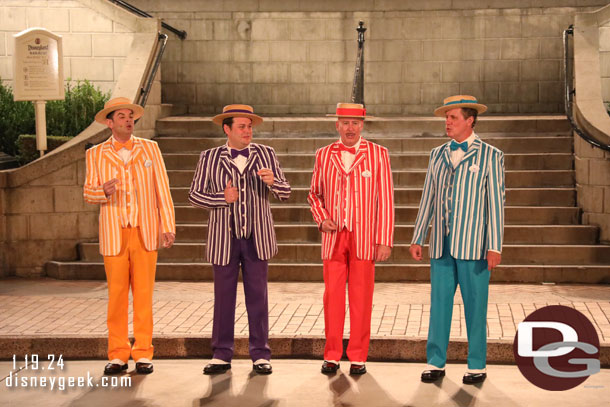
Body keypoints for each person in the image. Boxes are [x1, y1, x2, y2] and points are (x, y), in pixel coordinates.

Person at [409, 95, 505, 385]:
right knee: (439, 305)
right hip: (441, 243)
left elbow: (496, 204)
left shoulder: (491, 155)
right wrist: (418, 237)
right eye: (446, 118)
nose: (448, 123)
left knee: (476, 306)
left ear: (470, 120)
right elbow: (428, 197)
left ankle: (477, 365)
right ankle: (435, 362)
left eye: (453, 118)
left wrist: (495, 245)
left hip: (475, 245)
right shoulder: (437, 154)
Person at [189, 104, 291, 375]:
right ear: (227, 129)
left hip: (257, 238)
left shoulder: (266, 154)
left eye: (250, 127)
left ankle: (260, 353)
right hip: (224, 239)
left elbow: (286, 191)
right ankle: (221, 353)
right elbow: (194, 195)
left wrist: (273, 183)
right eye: (242, 127)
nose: (248, 132)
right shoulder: (209, 157)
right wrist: (221, 198)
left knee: (258, 296)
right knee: (224, 297)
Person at [84, 97, 176, 375]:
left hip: (145, 231)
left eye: (130, 116)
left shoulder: (150, 149)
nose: (127, 120)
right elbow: (88, 193)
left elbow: (163, 189)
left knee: (144, 294)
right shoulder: (96, 154)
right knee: (117, 296)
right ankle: (118, 353)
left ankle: (144, 352)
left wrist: (168, 225)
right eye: (121, 116)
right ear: (109, 123)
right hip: (114, 234)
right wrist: (103, 192)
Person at [308, 102, 394, 375]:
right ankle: (332, 354)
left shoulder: (378, 154)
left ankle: (358, 356)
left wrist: (384, 239)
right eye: (345, 122)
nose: (350, 128)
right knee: (332, 298)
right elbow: (314, 194)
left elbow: (386, 200)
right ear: (337, 125)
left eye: (355, 123)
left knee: (361, 298)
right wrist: (322, 218)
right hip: (334, 238)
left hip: (365, 238)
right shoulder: (324, 155)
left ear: (363, 125)